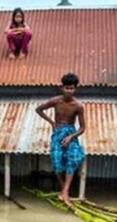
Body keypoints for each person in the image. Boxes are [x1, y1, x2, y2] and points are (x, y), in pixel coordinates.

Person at [35, 73, 86, 206]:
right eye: (66, 88)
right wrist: (51, 122)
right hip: (58, 132)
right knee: (56, 161)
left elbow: (82, 127)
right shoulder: (55, 101)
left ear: (75, 89)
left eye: (71, 88)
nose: (69, 91)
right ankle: (64, 190)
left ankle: (65, 191)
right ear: (62, 88)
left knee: (74, 157)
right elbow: (39, 110)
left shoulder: (78, 106)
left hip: (70, 132)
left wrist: (71, 137)